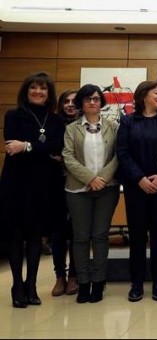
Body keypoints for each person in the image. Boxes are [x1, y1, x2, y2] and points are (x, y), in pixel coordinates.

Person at [1, 72, 65, 308]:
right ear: (26, 91)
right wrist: (40, 149)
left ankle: (32, 285)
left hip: (43, 183)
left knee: (36, 236)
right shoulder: (14, 115)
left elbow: (56, 145)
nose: (38, 92)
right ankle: (17, 285)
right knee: (16, 235)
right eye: (34, 88)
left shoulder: (55, 120)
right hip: (16, 182)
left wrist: (27, 145)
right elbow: (11, 144)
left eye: (43, 88)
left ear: (49, 93)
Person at [117, 80, 157, 302]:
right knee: (137, 236)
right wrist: (140, 178)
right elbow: (123, 153)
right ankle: (136, 284)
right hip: (136, 189)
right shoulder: (127, 122)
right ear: (143, 96)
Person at [62, 84, 120, 303]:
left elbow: (117, 155)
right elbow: (68, 157)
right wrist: (90, 179)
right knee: (81, 237)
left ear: (101, 102)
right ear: (81, 104)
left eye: (96, 99)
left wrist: (102, 178)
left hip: (107, 188)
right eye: (87, 99)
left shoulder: (112, 126)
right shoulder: (72, 129)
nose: (92, 103)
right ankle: (83, 283)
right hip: (78, 189)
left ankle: (99, 282)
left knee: (100, 236)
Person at [50, 89, 80, 297]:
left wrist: (65, 159)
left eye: (74, 101)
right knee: (58, 232)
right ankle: (60, 275)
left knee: (77, 232)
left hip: (79, 183)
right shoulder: (52, 124)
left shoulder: (86, 125)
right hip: (55, 184)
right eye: (66, 101)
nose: (70, 104)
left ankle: (74, 276)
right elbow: (49, 151)